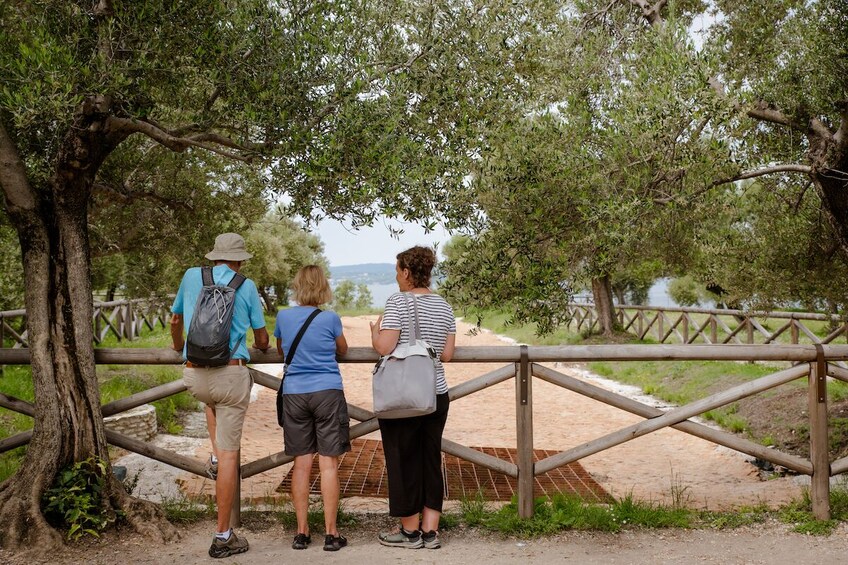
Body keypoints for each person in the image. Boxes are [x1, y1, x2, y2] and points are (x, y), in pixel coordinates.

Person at [170, 232, 269, 559]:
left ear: (214, 257)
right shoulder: (247, 285)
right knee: (230, 455)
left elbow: (175, 319)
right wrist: (263, 346)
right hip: (231, 374)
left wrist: (176, 346)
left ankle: (212, 456)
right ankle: (223, 535)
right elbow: (262, 336)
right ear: (239, 259)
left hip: (194, 375)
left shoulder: (189, 276)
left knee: (210, 401)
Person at [370, 246, 456, 550]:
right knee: (431, 460)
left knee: (403, 460)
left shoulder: (397, 302)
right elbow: (446, 354)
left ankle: (409, 532)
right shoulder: (444, 306)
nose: (395, 277)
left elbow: (385, 346)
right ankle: (431, 531)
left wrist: (373, 332)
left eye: (397, 271)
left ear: (407, 272)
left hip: (404, 397)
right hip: (436, 394)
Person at [275, 265, 350, 552]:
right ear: (323, 288)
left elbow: (282, 349)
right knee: (328, 462)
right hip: (327, 392)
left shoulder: (283, 316)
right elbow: (342, 349)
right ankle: (331, 534)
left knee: (301, 464)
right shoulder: (330, 318)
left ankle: (302, 532)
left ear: (298, 287)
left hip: (295, 393)